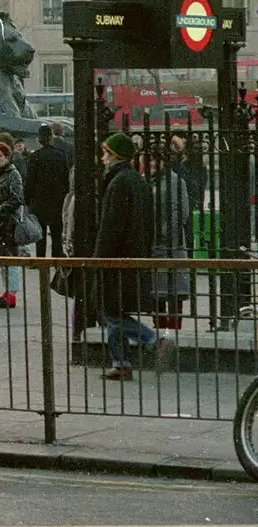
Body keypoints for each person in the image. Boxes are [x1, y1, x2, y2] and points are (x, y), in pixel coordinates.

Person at [93, 133, 169, 380]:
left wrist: (99, 258)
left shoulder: (118, 182)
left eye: (105, 153)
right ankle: (121, 362)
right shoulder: (137, 180)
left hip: (116, 257)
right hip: (134, 255)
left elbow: (110, 226)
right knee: (114, 307)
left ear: (114, 156)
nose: (102, 158)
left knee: (110, 311)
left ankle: (151, 339)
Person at [0, 141, 26, 309]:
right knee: (4, 260)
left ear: (7, 157)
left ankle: (12, 295)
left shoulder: (13, 175)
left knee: (10, 259)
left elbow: (16, 199)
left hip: (8, 223)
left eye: (0, 156)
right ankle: (7, 292)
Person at [25, 125, 69, 258]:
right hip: (57, 201)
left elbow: (30, 182)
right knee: (56, 235)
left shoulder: (35, 157)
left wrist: (28, 201)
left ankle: (41, 261)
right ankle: (56, 260)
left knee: (40, 235)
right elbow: (65, 179)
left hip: (39, 202)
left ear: (39, 139)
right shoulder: (60, 155)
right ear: (51, 138)